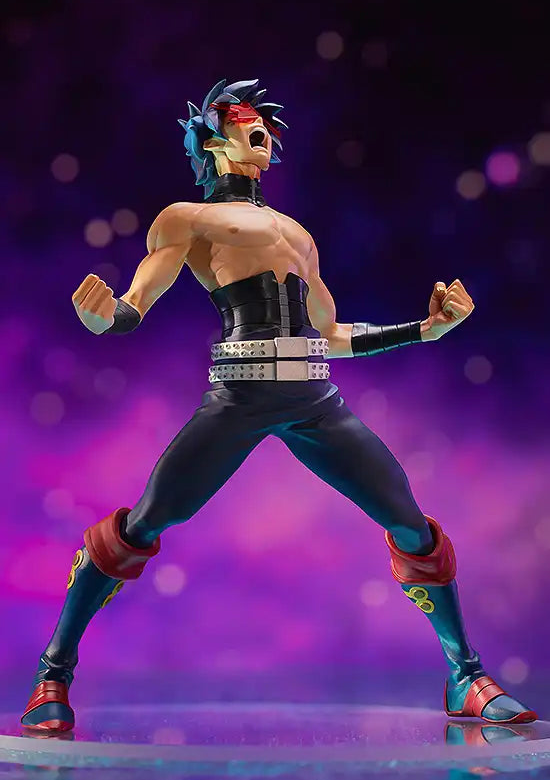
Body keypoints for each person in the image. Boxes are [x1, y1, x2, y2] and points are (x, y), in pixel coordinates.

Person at [21, 79, 536, 732]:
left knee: (412, 526)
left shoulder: (297, 233)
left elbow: (331, 334)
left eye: (263, 118)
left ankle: (466, 676)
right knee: (141, 525)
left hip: (314, 397)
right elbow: (135, 302)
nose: (260, 125)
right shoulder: (186, 219)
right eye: (243, 115)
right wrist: (107, 319)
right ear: (214, 137)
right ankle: (52, 675)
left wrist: (423, 329)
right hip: (239, 394)